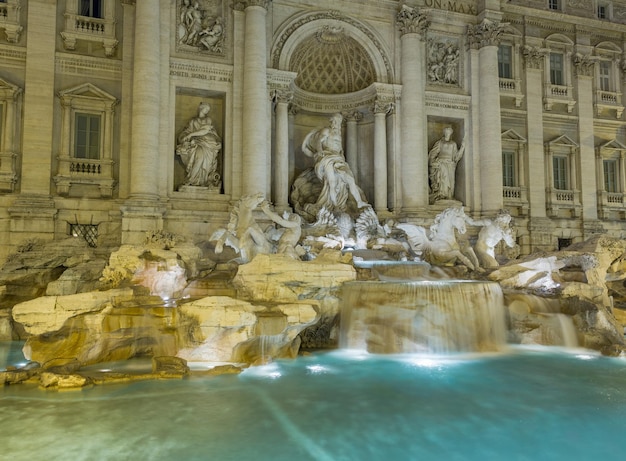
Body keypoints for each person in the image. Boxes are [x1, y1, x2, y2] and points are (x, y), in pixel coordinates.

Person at [302, 113, 368, 213]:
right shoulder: (326, 131)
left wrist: (342, 158)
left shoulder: (338, 135)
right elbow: (319, 141)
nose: (336, 124)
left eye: (338, 122)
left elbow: (340, 150)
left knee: (350, 179)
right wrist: (320, 151)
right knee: (331, 183)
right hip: (328, 158)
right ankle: (335, 205)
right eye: (335, 121)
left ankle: (359, 202)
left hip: (338, 160)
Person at [176, 102, 221, 187]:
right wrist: (185, 137)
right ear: (201, 108)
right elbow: (187, 131)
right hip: (197, 144)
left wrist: (191, 135)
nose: (207, 111)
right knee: (199, 157)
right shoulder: (193, 121)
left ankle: (202, 180)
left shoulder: (208, 120)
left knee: (203, 159)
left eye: (208, 110)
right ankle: (192, 179)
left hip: (208, 144)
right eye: (206, 109)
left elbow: (204, 131)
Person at [428, 126, 465, 202]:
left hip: (450, 165)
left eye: (449, 132)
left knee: (450, 181)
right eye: (446, 132)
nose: (447, 133)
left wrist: (462, 147)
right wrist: (433, 161)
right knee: (443, 179)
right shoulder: (440, 142)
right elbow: (433, 153)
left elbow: (456, 157)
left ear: (451, 133)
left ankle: (448, 196)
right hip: (441, 163)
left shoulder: (453, 144)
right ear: (444, 133)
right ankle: (442, 195)